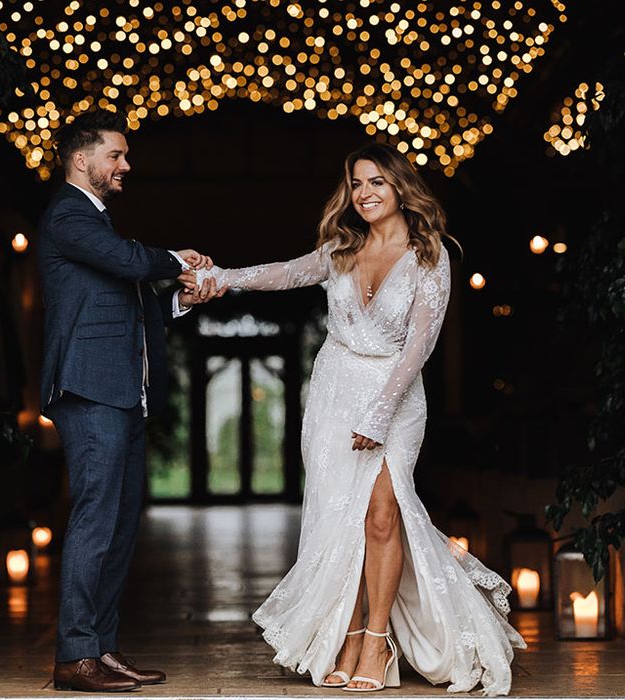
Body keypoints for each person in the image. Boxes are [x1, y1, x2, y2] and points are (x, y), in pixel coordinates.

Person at [196, 143, 525, 696]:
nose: (365, 193)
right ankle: (348, 636)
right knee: (338, 518)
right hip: (333, 391)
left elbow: (420, 344)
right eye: (356, 184)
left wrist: (379, 411)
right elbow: (283, 273)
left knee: (381, 515)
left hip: (395, 396)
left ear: (400, 187)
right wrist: (221, 276)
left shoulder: (430, 254)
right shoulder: (341, 248)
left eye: (376, 182)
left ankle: (377, 639)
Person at [37, 110, 223, 693]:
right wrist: (180, 261)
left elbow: (130, 300)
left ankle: (102, 648)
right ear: (80, 160)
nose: (126, 165)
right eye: (115, 155)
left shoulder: (97, 223)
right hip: (91, 390)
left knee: (118, 528)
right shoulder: (69, 215)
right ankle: (74, 656)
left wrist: (181, 302)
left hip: (122, 394)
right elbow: (130, 263)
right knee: (96, 522)